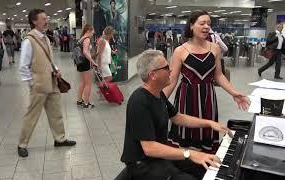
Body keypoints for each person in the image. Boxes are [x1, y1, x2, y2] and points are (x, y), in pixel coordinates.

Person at [121, 49, 233, 180]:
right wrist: (189, 153)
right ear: (153, 75)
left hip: (159, 157)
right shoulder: (139, 101)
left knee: (205, 166)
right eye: (166, 68)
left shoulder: (158, 94)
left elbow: (178, 117)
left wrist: (209, 123)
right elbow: (149, 148)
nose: (171, 71)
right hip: (143, 165)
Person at [163, 10, 250, 153]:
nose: (206, 27)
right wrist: (158, 101)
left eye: (209, 24)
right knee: (186, 135)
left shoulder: (214, 48)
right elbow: (172, 80)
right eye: (202, 23)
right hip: (187, 98)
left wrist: (234, 93)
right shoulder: (180, 50)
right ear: (191, 25)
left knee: (206, 132)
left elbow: (219, 75)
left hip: (208, 97)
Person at [18, 9, 76, 158]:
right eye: (43, 19)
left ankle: (60, 139)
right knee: (32, 115)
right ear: (34, 21)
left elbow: (49, 60)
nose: (46, 21)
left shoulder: (46, 38)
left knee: (56, 113)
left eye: (46, 18)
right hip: (39, 86)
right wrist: (32, 84)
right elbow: (23, 66)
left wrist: (55, 69)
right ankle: (22, 144)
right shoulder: (28, 40)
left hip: (52, 82)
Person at [76, 24, 98, 108]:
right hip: (86, 63)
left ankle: (79, 100)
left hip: (80, 63)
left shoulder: (80, 39)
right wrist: (93, 61)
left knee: (82, 82)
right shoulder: (87, 39)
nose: (93, 34)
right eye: (92, 32)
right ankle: (86, 103)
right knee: (88, 84)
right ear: (88, 31)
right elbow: (85, 52)